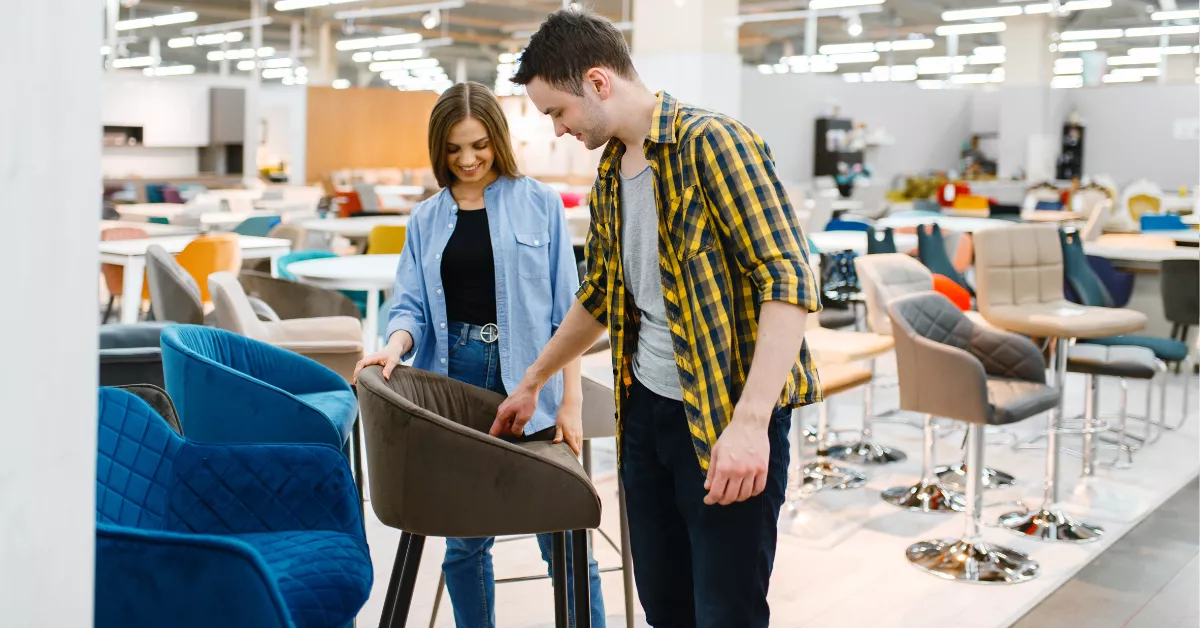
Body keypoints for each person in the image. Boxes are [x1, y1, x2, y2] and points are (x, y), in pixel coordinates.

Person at [492, 9, 822, 628]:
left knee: (726, 612)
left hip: (723, 418)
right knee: (665, 606)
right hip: (645, 415)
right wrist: (535, 379)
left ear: (597, 82)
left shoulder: (715, 144)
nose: (559, 131)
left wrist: (750, 426)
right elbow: (601, 296)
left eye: (557, 112)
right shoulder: (614, 172)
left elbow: (789, 280)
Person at [353, 81, 605, 628]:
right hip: (454, 381)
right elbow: (411, 308)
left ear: (498, 139)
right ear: (438, 150)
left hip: (532, 380)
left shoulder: (539, 203)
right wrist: (393, 348)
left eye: (479, 145)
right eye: (454, 149)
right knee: (465, 545)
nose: (468, 159)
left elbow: (570, 312)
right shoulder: (425, 219)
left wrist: (570, 404)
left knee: (565, 541)